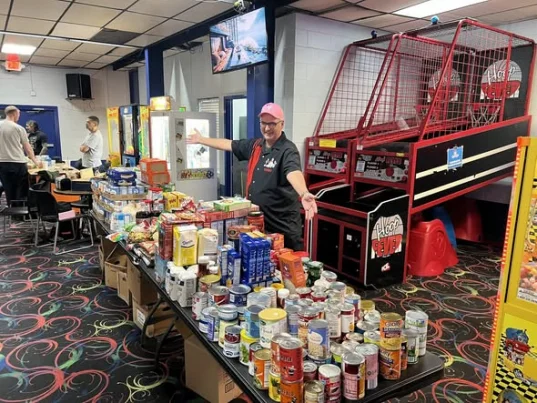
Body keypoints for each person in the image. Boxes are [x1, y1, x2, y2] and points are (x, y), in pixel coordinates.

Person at [187, 103, 317, 251]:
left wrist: (303, 193)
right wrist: (201, 139)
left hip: (281, 229)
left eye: (272, 124)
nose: (267, 128)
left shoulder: (288, 150)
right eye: (263, 123)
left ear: (282, 124)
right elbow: (229, 144)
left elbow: (293, 172)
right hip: (258, 225)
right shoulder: (256, 146)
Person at [0, 106, 42, 206]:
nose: (19, 117)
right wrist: (36, 161)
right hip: (17, 163)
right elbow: (27, 148)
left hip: (2, 163)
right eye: (19, 114)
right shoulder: (18, 128)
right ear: (14, 114)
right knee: (21, 190)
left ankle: (11, 209)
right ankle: (20, 211)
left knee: (8, 189)